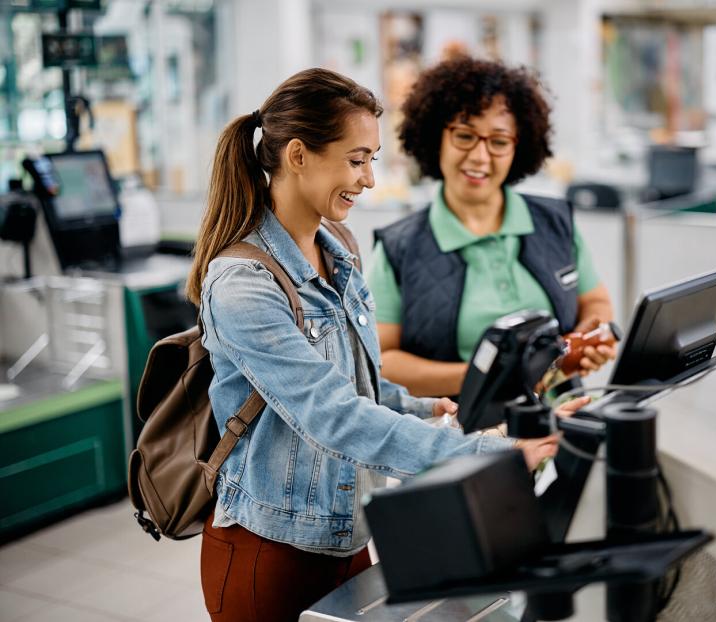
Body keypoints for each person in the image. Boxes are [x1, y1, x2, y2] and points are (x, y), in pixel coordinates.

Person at [187, 68, 574, 622]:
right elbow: (333, 415)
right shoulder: (243, 283)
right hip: (269, 551)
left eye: (371, 159)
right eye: (356, 159)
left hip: (349, 536)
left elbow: (357, 380)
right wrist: (490, 455)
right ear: (298, 155)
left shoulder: (338, 245)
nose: (369, 179)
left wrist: (421, 407)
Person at [366, 56, 616, 398]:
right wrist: (488, 375)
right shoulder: (399, 249)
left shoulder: (555, 222)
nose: (481, 157)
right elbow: (382, 361)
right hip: (462, 438)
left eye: (499, 141)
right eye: (465, 136)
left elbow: (596, 302)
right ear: (435, 137)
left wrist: (589, 339)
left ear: (520, 146)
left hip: (564, 426)